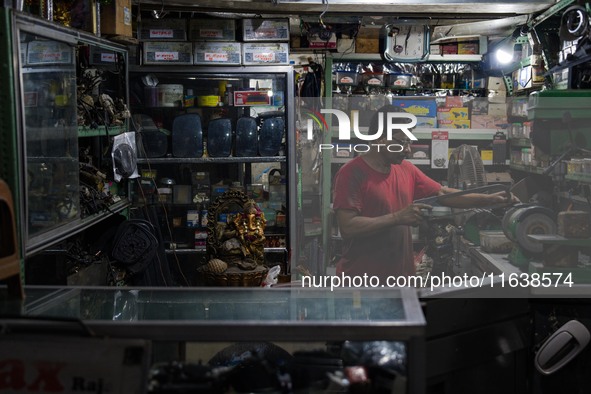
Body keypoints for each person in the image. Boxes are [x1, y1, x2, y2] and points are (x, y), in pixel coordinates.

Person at [332, 104, 517, 280]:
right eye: (402, 142)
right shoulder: (351, 173)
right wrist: (397, 217)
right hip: (362, 281)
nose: (408, 150)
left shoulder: (406, 169)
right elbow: (348, 227)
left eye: (409, 142)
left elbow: (443, 193)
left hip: (400, 280)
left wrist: (489, 199)